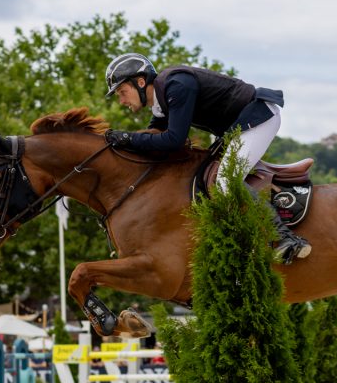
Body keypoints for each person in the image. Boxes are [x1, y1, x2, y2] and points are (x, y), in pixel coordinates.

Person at [102, 53, 311, 264]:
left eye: (122, 92)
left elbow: (174, 140)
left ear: (140, 82)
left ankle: (286, 238)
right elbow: (153, 136)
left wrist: (128, 138)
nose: (121, 100)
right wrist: (122, 145)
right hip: (237, 128)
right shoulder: (161, 101)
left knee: (226, 180)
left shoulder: (176, 85)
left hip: (259, 117)